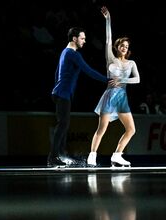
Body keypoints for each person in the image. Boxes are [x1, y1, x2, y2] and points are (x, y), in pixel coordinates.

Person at [49, 26, 118, 167]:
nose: (84, 41)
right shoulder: (73, 54)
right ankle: (53, 157)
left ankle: (60, 154)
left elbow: (57, 72)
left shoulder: (64, 52)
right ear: (74, 39)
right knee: (63, 124)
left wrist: (58, 88)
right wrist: (107, 80)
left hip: (61, 92)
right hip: (63, 93)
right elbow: (88, 70)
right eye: (82, 38)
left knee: (64, 125)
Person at [87, 6, 140, 168]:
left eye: (126, 46)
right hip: (110, 96)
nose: (124, 48)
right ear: (117, 47)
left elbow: (137, 79)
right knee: (102, 128)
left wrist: (122, 79)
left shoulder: (131, 63)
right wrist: (108, 19)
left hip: (122, 98)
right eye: (122, 45)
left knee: (131, 129)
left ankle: (117, 155)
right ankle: (92, 155)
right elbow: (108, 39)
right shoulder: (110, 59)